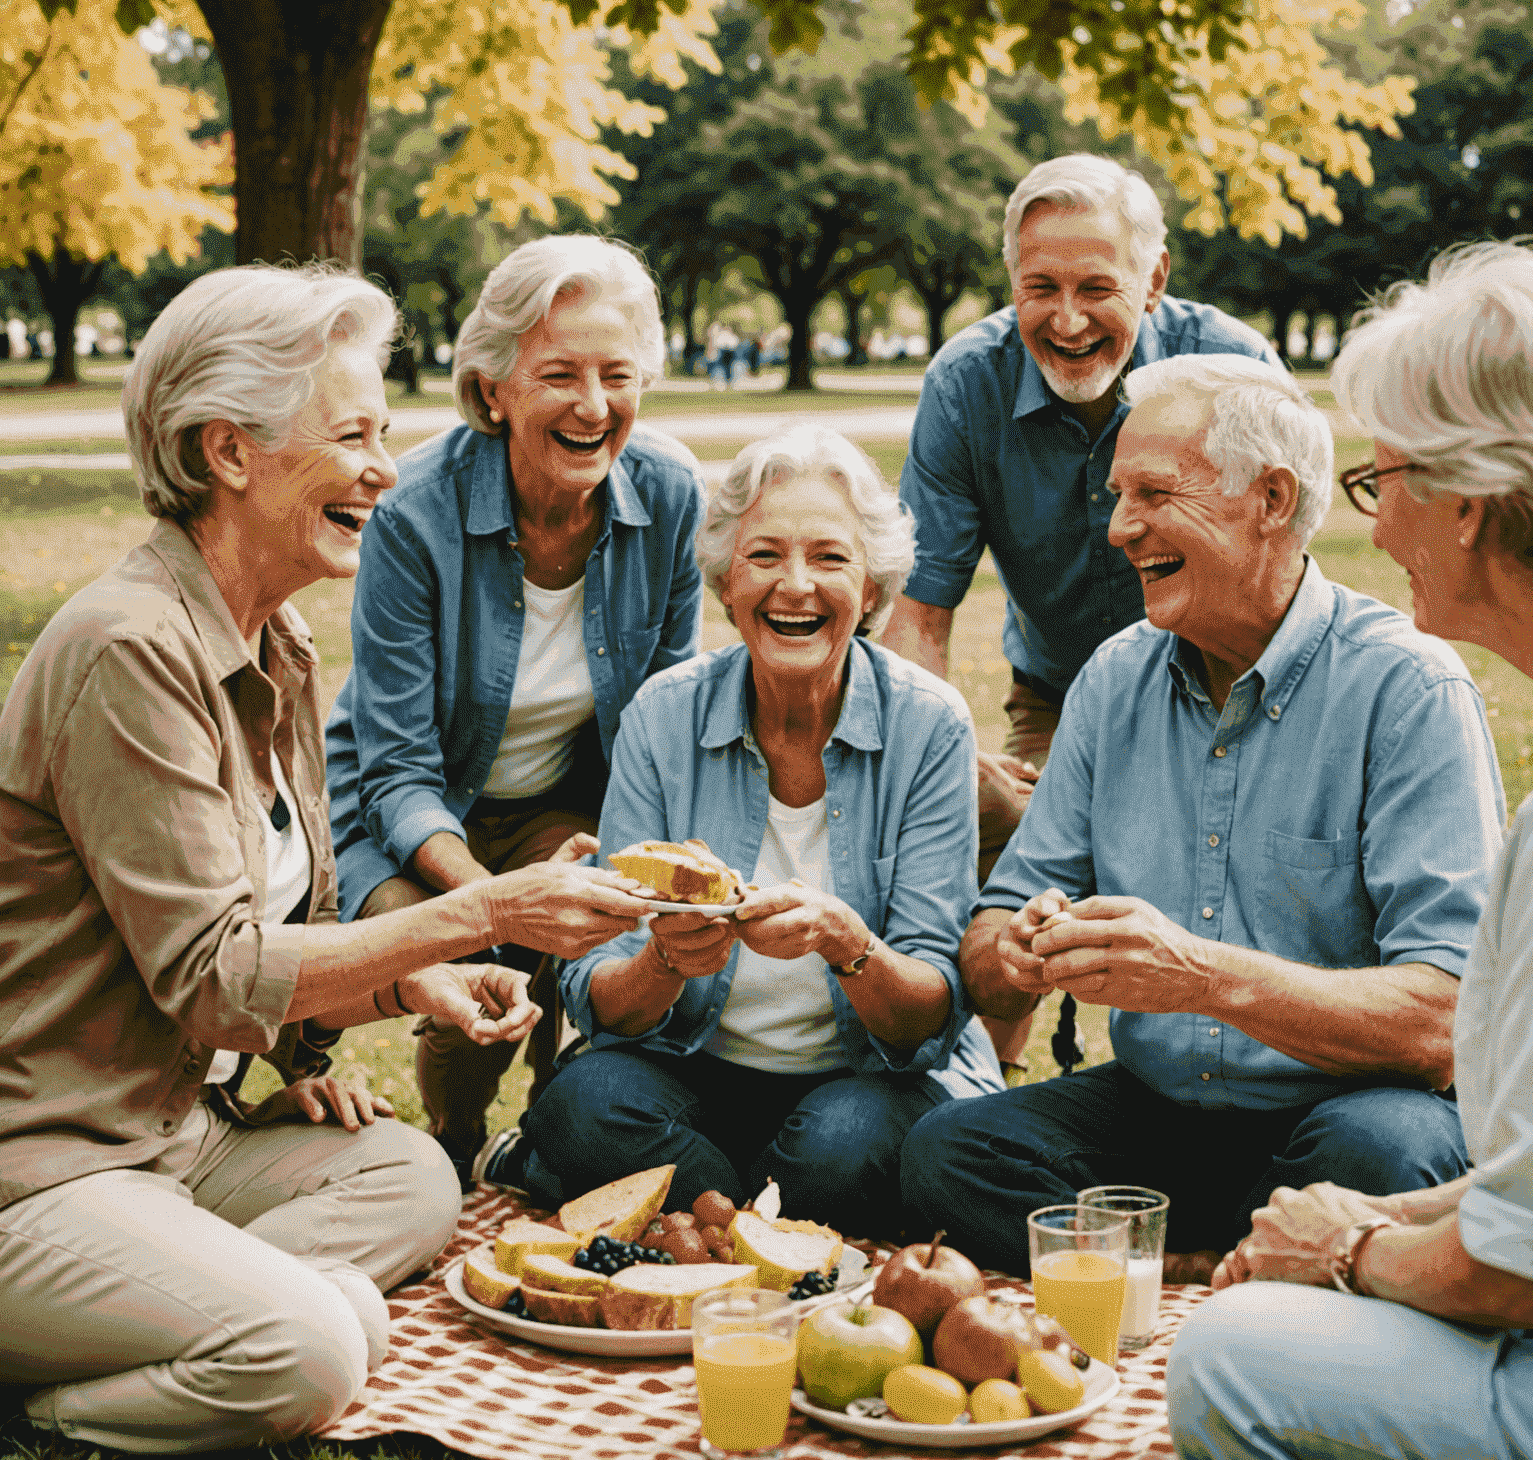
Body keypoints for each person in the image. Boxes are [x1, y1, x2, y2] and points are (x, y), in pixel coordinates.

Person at [0, 264, 656, 1453]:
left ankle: (191, 1309)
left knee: (416, 1180)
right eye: (350, 435)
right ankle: (60, 1396)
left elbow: (271, 941)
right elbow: (214, 973)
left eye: (385, 434)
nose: (385, 469)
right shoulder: (126, 649)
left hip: (175, 1143)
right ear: (229, 453)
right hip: (43, 1168)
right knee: (307, 1349)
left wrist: (404, 987)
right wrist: (482, 912)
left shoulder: (278, 639)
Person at [899, 352, 1506, 1281]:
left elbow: (1441, 1020)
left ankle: (1186, 1261)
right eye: (1116, 495)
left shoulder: (1407, 688)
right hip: (1157, 1113)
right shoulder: (1113, 678)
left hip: (1344, 1108)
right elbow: (989, 943)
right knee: (949, 1154)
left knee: (1383, 1158)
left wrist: (1201, 977)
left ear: (1270, 500)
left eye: (1152, 493)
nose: (1117, 528)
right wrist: (1015, 950)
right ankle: (1225, 1263)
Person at [1168, 241, 1533, 1460]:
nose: (1376, 527)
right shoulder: (1127, 673)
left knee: (1230, 1354)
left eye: (1384, 484)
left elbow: (1514, 1272)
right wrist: (1382, 1221)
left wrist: (1353, 1247)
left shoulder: (1414, 693)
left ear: (1471, 504)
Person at [479, 427, 1004, 1236]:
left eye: (830, 558)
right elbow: (596, 994)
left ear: (871, 590)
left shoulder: (929, 725)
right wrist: (661, 959)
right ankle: (768, 1214)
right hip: (691, 1071)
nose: (795, 586)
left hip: (865, 1081)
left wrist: (847, 944)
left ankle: (695, 1205)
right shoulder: (664, 715)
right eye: (764, 557)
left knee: (844, 1147)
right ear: (726, 583)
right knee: (581, 1107)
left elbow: (932, 1013)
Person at [882, 155, 1285, 1073]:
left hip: (1228, 685)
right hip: (1059, 692)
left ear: (1155, 279)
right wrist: (931, 763)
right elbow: (920, 612)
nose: (1066, 320)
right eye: (1041, 288)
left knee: (1242, 908)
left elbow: (1278, 583)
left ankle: (1259, 1108)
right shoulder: (966, 385)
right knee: (1005, 902)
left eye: (1097, 288)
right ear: (1011, 283)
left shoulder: (1235, 367)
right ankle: (985, 1094)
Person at [324, 235, 705, 1189]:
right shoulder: (414, 510)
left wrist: (614, 865)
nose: (593, 405)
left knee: (582, 956)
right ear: (493, 388)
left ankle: (549, 1152)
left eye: (618, 375)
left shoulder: (669, 495)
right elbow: (397, 767)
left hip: (565, 799)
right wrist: (489, 904)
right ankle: (451, 1150)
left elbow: (664, 720)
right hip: (402, 801)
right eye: (559, 375)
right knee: (454, 958)